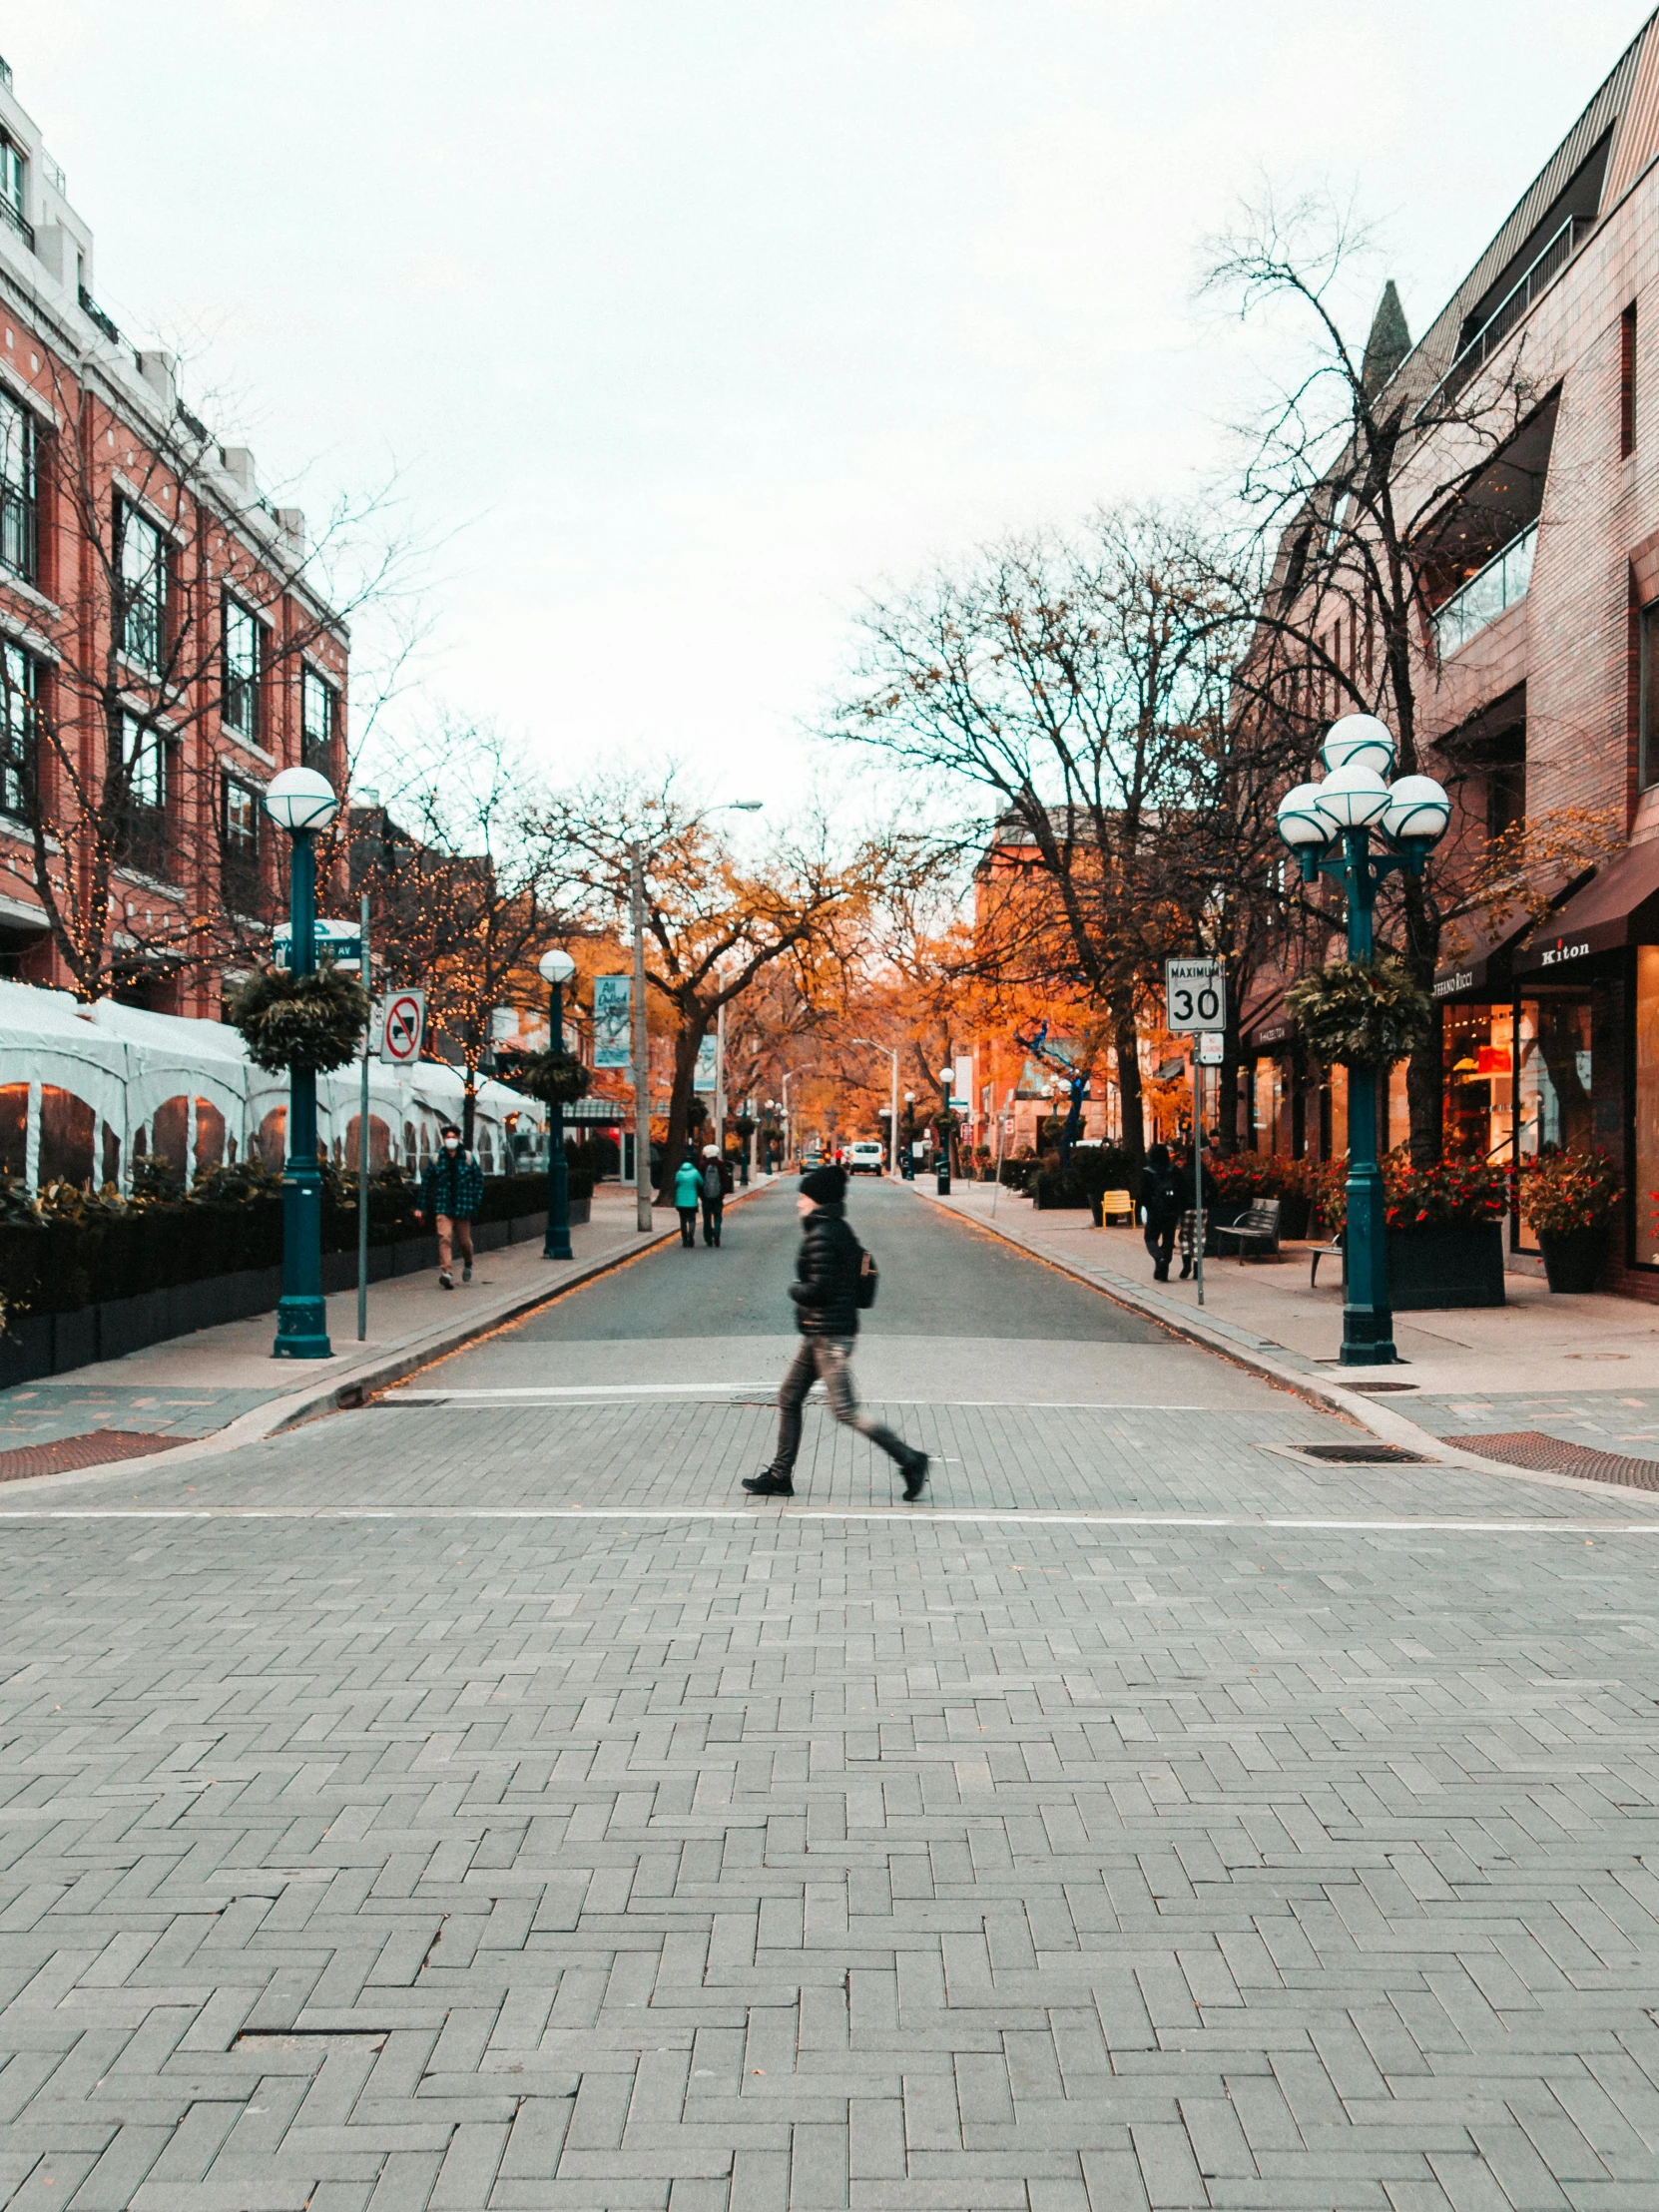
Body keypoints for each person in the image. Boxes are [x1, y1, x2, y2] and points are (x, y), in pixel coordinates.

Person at [744, 1163, 929, 1502]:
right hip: (822, 1332)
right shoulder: (839, 1230)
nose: (799, 1203)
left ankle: (910, 1459)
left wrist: (794, 1290)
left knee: (845, 1409)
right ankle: (779, 1475)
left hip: (829, 1336)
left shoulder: (823, 1236)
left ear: (817, 1200)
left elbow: (819, 1288)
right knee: (788, 1397)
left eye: (803, 1197)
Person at [414, 1123, 484, 1290]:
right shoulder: (437, 1159)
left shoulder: (467, 1157)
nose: (451, 1140)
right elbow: (427, 1183)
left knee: (464, 1241)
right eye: (448, 1137)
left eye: (453, 1137)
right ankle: (447, 1272)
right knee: (444, 1237)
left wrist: (475, 1200)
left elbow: (478, 1180)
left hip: (463, 1206)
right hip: (443, 1205)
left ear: (459, 1139)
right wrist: (420, 1207)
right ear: (443, 1139)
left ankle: (468, 1262)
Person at [1138, 1141, 1184, 1283]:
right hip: (1171, 1211)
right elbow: (1182, 1189)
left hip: (1155, 1210)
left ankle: (1158, 1257)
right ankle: (1164, 1269)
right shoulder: (1174, 1170)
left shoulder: (1147, 1172)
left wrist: (1145, 1207)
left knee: (1150, 1237)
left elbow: (1142, 1194)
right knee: (1168, 1240)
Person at [700, 1144, 731, 1247]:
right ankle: (716, 1232)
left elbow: (700, 1181)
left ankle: (708, 1238)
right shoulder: (721, 1164)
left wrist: (701, 1194)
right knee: (717, 1216)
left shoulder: (702, 1165)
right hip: (718, 1196)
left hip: (706, 1197)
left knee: (707, 1218)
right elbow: (725, 1180)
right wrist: (723, 1193)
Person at [674, 1154, 702, 1248]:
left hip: (680, 1201)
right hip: (692, 1202)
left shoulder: (679, 1173)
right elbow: (701, 1183)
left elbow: (676, 1184)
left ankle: (684, 1239)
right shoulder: (695, 1172)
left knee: (682, 1220)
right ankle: (691, 1235)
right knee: (692, 1220)